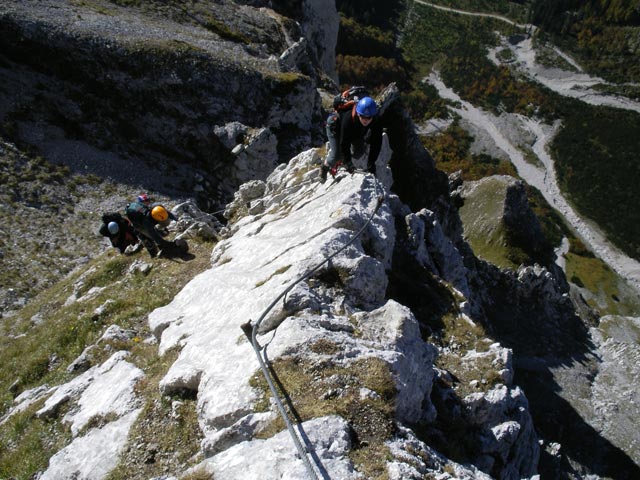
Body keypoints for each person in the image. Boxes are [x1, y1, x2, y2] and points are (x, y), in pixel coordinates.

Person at [319, 96, 383, 183]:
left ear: (373, 116)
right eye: (363, 116)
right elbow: (344, 143)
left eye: (369, 118)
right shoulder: (348, 119)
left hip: (356, 130)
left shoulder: (376, 121)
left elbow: (377, 143)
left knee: (359, 152)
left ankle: (342, 160)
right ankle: (325, 166)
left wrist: (371, 163)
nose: (365, 120)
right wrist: (348, 163)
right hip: (335, 126)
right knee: (336, 155)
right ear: (358, 113)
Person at [125, 193, 185, 257]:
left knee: (160, 233)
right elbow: (155, 236)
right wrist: (169, 244)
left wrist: (176, 220)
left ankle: (160, 245)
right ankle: (154, 254)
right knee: (150, 238)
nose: (148, 202)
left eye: (148, 200)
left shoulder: (156, 208)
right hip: (138, 225)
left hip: (144, 218)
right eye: (146, 201)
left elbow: (166, 213)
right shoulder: (147, 221)